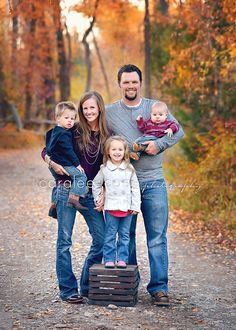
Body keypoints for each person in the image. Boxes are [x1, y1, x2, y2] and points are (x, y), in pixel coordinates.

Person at [105, 64, 184, 306]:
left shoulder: (155, 107)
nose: (131, 86)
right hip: (123, 185)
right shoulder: (109, 113)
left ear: (140, 83)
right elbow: (100, 143)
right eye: (126, 82)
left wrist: (158, 145)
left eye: (134, 82)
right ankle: (129, 285)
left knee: (157, 237)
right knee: (125, 236)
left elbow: (178, 131)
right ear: (120, 84)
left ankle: (159, 288)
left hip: (153, 181)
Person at [42, 91, 110, 303]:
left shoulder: (107, 135)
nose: (89, 111)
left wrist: (105, 191)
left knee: (102, 238)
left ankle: (87, 285)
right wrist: (52, 163)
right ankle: (68, 290)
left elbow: (112, 164)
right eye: (85, 108)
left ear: (99, 108)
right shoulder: (73, 130)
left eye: (92, 107)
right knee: (64, 242)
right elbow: (46, 149)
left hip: (90, 193)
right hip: (67, 189)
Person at [92, 136, 141, 269]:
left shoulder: (129, 169)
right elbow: (96, 184)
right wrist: (98, 199)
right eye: (114, 149)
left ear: (125, 151)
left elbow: (135, 188)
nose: (117, 152)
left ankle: (122, 259)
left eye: (120, 149)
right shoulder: (104, 169)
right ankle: (109, 259)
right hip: (111, 208)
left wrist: (136, 206)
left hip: (127, 209)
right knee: (110, 235)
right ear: (108, 151)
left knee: (125, 235)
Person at [46, 101, 87, 210]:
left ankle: (54, 202)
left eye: (72, 119)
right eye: (66, 118)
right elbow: (68, 150)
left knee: (59, 182)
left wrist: (51, 159)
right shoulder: (64, 134)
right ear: (58, 118)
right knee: (81, 176)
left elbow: (48, 148)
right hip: (63, 164)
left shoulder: (53, 132)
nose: (70, 121)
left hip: (53, 165)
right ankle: (74, 199)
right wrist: (77, 164)